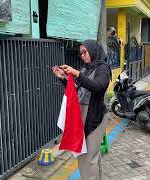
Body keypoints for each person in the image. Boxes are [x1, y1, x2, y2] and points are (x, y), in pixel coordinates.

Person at [52, 39, 112, 180]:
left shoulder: (103, 68)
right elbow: (77, 90)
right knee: (91, 156)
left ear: (93, 50)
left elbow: (98, 86)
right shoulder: (86, 68)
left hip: (95, 117)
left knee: (87, 157)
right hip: (82, 115)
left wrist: (77, 74)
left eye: (85, 52)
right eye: (81, 53)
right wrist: (63, 78)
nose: (83, 56)